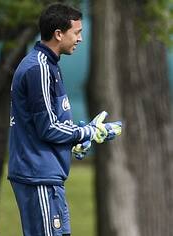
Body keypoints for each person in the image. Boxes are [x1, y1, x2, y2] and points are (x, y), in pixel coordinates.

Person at [8, 3, 122, 236]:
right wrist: (88, 132)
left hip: (47, 174)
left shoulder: (51, 65)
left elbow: (48, 122)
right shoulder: (38, 68)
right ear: (59, 34)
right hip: (37, 174)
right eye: (77, 32)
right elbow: (47, 127)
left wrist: (76, 141)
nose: (80, 38)